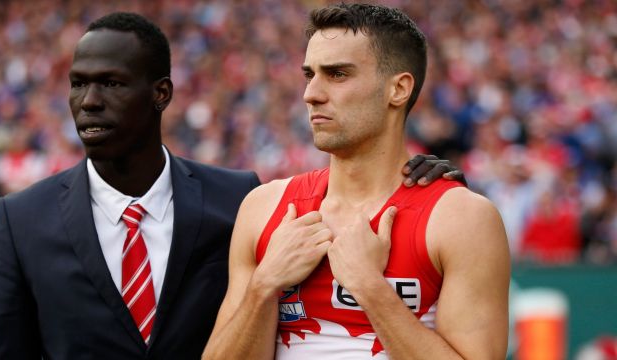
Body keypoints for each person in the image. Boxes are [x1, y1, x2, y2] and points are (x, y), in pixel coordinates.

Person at [0, 11, 463, 360]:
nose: (88, 102)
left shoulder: (239, 198)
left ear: (161, 94)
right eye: (77, 83)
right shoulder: (22, 220)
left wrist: (422, 180)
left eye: (111, 83)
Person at [203, 4, 510, 360]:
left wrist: (370, 289)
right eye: (309, 74)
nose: (311, 94)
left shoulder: (462, 219)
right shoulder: (264, 207)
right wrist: (264, 287)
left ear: (398, 89)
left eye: (337, 74)